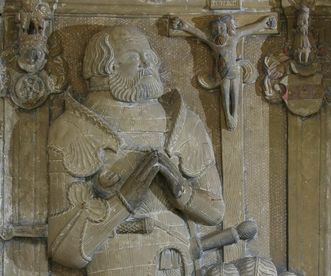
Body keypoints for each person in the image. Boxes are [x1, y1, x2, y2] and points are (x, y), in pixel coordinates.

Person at [48, 25, 226, 276]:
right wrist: (125, 201)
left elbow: (215, 211)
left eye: (150, 57)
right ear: (105, 67)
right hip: (116, 264)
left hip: (177, 262)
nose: (148, 63)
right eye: (134, 56)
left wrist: (180, 190)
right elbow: (63, 248)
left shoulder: (184, 123)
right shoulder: (73, 128)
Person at [171, 15, 276, 130]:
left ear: (227, 28)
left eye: (221, 29)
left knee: (235, 95)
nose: (218, 32)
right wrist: (184, 26)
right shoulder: (213, 42)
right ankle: (228, 116)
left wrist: (264, 23)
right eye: (215, 30)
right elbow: (198, 33)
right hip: (223, 74)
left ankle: (234, 114)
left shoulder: (234, 37)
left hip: (235, 71)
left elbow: (250, 29)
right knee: (225, 96)